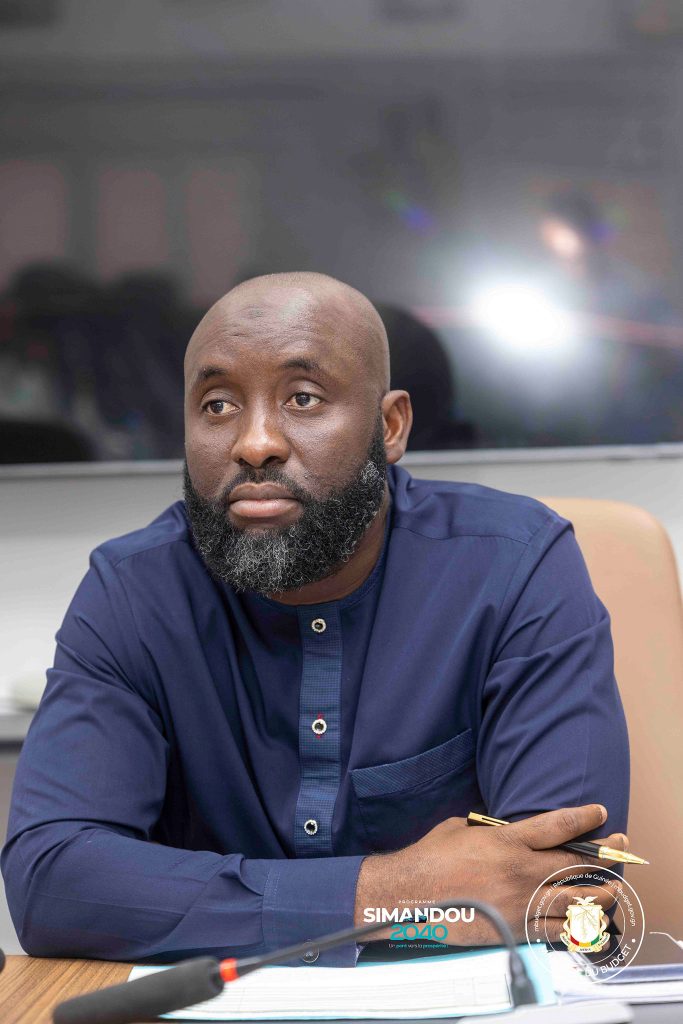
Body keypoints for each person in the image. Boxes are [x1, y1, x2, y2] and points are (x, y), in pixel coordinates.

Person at [1, 272, 629, 967]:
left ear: (390, 426)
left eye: (303, 398)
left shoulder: (515, 566)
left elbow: (560, 894)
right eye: (217, 405)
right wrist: (395, 894)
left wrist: (249, 913)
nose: (254, 443)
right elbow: (53, 884)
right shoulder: (132, 591)